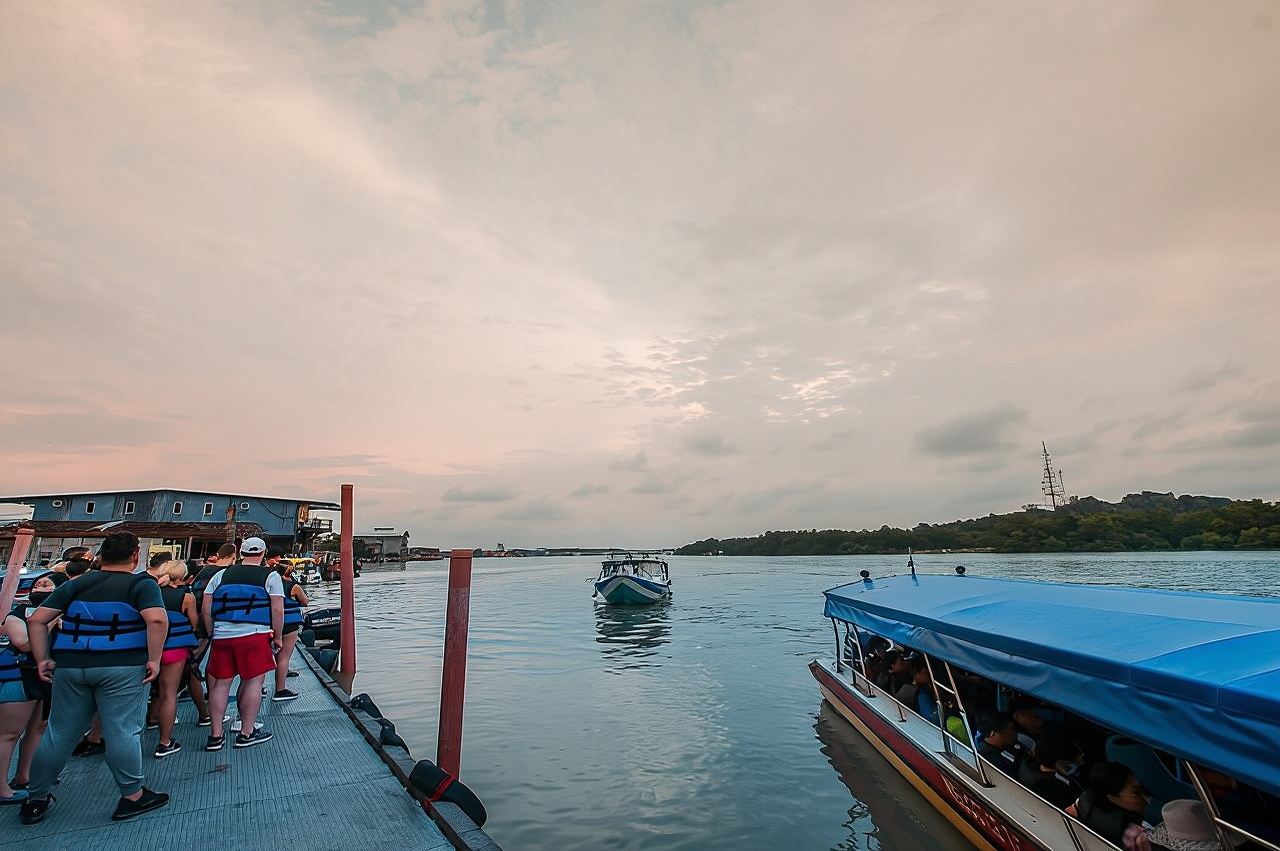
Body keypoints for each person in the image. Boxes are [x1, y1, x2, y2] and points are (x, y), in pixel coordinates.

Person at [19, 531, 170, 825]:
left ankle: (35, 798)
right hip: (123, 666)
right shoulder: (141, 584)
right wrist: (154, 659)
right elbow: (156, 619)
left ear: (103, 555)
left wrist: (42, 659)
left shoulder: (78, 583)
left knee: (59, 733)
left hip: (71, 665)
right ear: (136, 556)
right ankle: (132, 796)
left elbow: (36, 619)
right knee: (122, 731)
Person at [201, 537, 283, 751]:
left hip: (223, 634)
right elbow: (277, 609)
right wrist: (278, 636)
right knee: (254, 683)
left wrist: (211, 630)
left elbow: (207, 604)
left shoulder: (221, 574)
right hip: (255, 633)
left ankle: (216, 735)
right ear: (263, 553)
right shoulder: (271, 576)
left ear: (241, 554)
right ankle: (246, 732)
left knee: (221, 684)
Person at [2, 574, 59, 798]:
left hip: (43, 681)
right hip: (19, 677)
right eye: (38, 583)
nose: (42, 585)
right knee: (8, 734)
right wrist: (50, 622)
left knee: (38, 729)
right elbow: (25, 644)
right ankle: (1, 789)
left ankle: (24, 776)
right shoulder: (15, 617)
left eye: (47, 583)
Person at [151, 561, 198, 758]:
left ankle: (152, 719)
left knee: (154, 691)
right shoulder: (186, 596)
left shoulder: (151, 593)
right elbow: (194, 623)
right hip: (175, 648)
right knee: (169, 694)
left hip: (151, 647)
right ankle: (164, 742)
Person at [1071, 761, 1149, 846]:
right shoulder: (1133, 837)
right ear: (1113, 798)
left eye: (1140, 786)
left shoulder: (1085, 800)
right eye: (1135, 794)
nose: (1144, 798)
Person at [271, 559, 308, 702]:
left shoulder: (271, 582)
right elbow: (305, 601)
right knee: (284, 657)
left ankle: (259, 688)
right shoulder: (295, 586)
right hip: (289, 623)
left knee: (272, 654)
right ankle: (280, 690)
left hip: (272, 621)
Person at [1019, 731, 1084, 809]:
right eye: (1075, 759)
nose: (1081, 759)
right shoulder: (1063, 788)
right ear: (1062, 762)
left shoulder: (1026, 764)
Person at [976, 711, 1026, 779]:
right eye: (1011, 729)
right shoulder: (996, 764)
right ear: (993, 733)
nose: (1015, 733)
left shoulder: (1009, 744)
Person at [894, 656, 939, 723]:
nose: (914, 680)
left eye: (914, 673)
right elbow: (933, 718)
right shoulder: (922, 695)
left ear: (923, 670)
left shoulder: (930, 688)